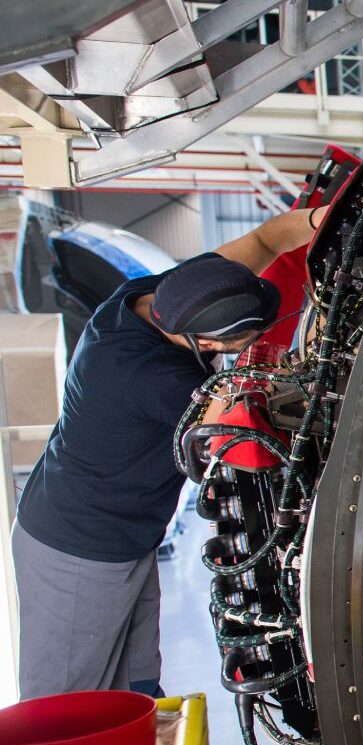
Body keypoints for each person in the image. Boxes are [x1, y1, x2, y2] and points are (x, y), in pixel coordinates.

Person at [10, 206, 324, 700]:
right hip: (79, 547)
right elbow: (239, 437)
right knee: (68, 701)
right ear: (202, 341)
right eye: (241, 345)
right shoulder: (158, 383)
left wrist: (326, 217)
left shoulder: (148, 298)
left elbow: (267, 238)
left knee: (137, 687)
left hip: (123, 535)